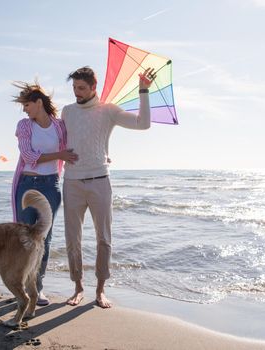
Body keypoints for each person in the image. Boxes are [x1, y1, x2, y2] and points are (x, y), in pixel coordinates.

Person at [61, 66, 155, 308]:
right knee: (73, 239)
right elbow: (63, 140)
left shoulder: (109, 110)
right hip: (71, 182)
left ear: (94, 87)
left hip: (100, 181)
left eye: (81, 88)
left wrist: (144, 90)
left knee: (104, 238)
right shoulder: (67, 111)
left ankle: (100, 290)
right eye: (74, 88)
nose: (77, 93)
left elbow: (143, 124)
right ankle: (78, 287)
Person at [11, 81, 78, 306]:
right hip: (28, 183)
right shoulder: (24, 125)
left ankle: (37, 288)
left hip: (51, 185)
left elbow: (74, 145)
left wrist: (98, 155)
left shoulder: (59, 126)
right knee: (24, 238)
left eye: (27, 104)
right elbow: (29, 156)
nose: (24, 109)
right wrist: (59, 154)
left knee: (44, 239)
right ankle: (19, 287)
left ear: (39, 103)